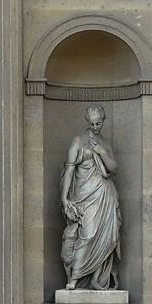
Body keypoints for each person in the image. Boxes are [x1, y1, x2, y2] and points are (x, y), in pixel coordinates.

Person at [60, 105, 121, 291]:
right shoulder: (79, 141)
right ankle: (75, 277)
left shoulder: (105, 142)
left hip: (104, 194)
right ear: (88, 122)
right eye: (92, 123)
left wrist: (102, 153)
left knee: (106, 237)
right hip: (84, 195)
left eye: (99, 123)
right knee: (88, 234)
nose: (96, 127)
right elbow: (69, 170)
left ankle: (96, 278)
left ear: (103, 120)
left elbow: (114, 169)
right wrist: (64, 198)